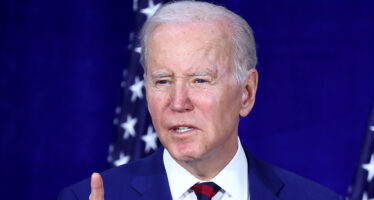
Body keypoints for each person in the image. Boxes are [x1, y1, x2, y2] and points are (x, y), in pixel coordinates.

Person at [59, 1, 342, 200]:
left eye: (200, 80)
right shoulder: (87, 198)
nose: (178, 102)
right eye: (162, 81)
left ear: (246, 92)